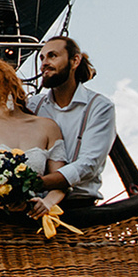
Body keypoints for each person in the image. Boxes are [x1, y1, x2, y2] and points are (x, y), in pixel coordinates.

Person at [0, 56, 62, 210]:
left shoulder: (47, 126)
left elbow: (61, 181)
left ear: (7, 78)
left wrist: (47, 202)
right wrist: (4, 203)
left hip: (37, 214)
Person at [26, 35, 115, 209]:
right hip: (31, 207)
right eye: (42, 58)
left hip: (79, 208)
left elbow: (89, 164)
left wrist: (36, 183)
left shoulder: (99, 106)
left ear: (75, 61)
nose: (44, 63)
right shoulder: (34, 105)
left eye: (52, 56)